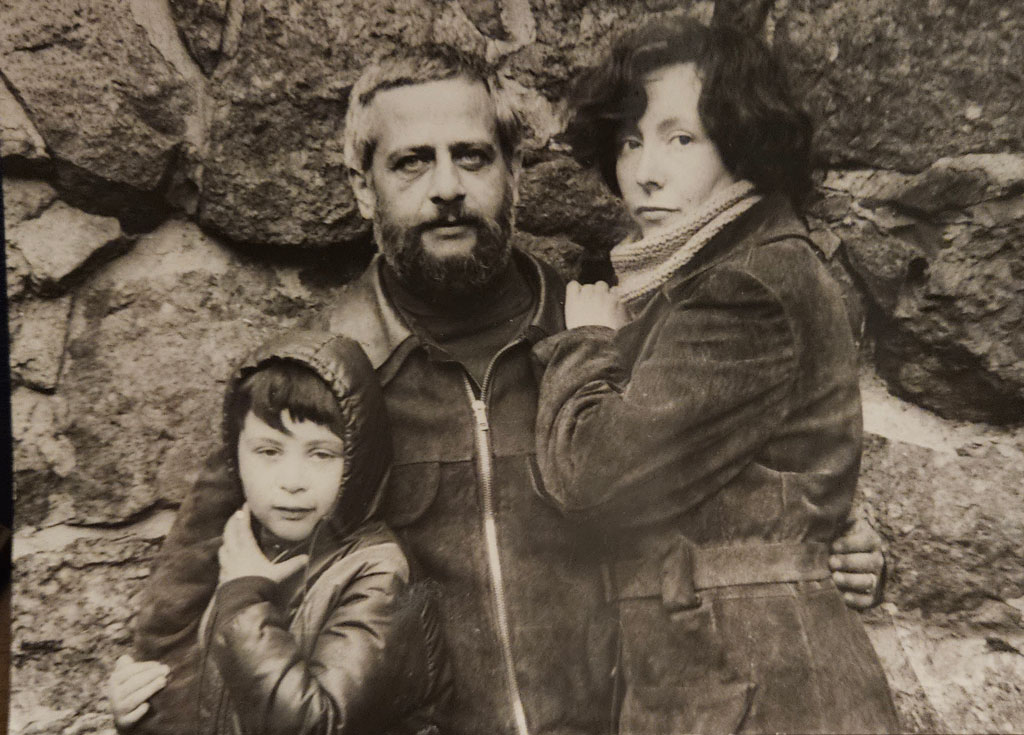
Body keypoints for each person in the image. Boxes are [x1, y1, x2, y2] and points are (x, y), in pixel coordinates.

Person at [127, 44, 889, 735]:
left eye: (472, 156)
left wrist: (828, 547)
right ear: (363, 188)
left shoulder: (605, 331)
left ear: (515, 173)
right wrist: (156, 700)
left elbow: (738, 484)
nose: (448, 188)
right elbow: (194, 592)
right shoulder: (324, 378)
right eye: (411, 163)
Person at [533, 18, 899, 734]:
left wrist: (585, 344)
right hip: (736, 680)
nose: (644, 171)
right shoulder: (700, 277)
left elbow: (591, 482)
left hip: (764, 692)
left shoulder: (746, 286)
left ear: (744, 143)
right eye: (630, 140)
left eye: (680, 138)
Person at [108, 331, 450, 734]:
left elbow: (314, 725)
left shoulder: (380, 574)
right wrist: (137, 710)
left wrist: (242, 603)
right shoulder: (237, 546)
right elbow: (205, 701)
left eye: (321, 454)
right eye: (269, 451)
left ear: (359, 461)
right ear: (236, 457)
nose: (292, 480)